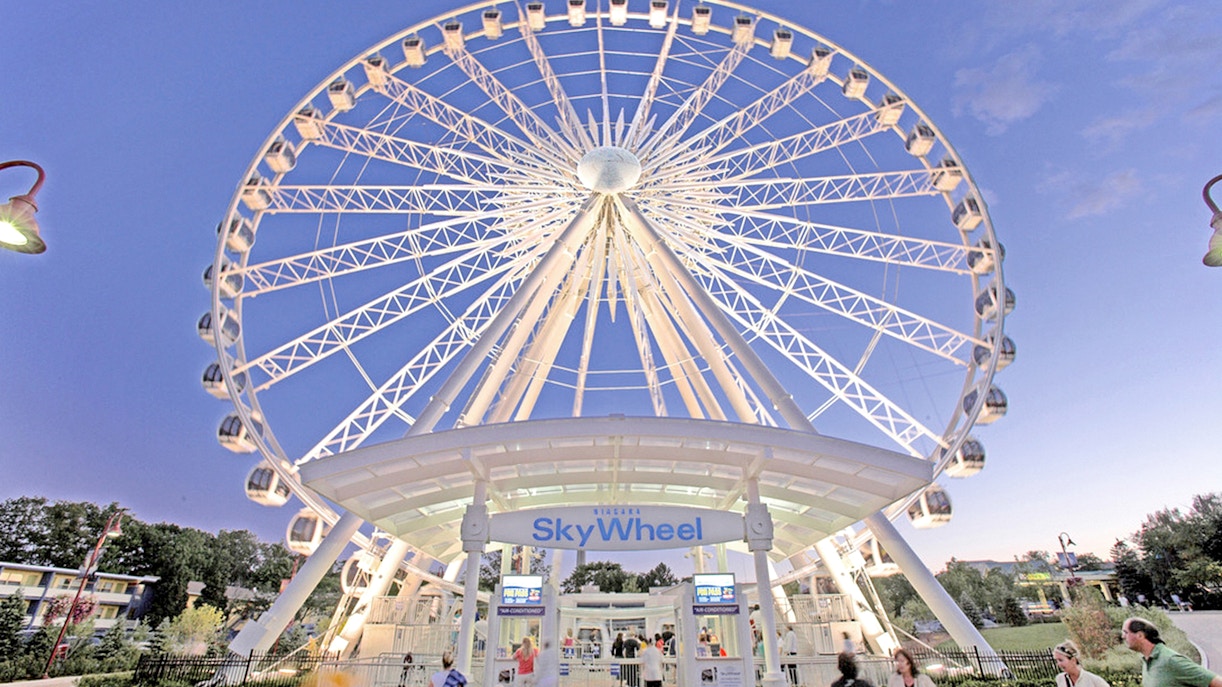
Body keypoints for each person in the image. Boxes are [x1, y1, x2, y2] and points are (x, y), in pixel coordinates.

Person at [1122, 617, 1222, 687]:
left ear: (1140, 635)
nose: (1123, 636)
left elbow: (1217, 682)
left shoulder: (1170, 660)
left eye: (1126, 633)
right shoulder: (1147, 661)